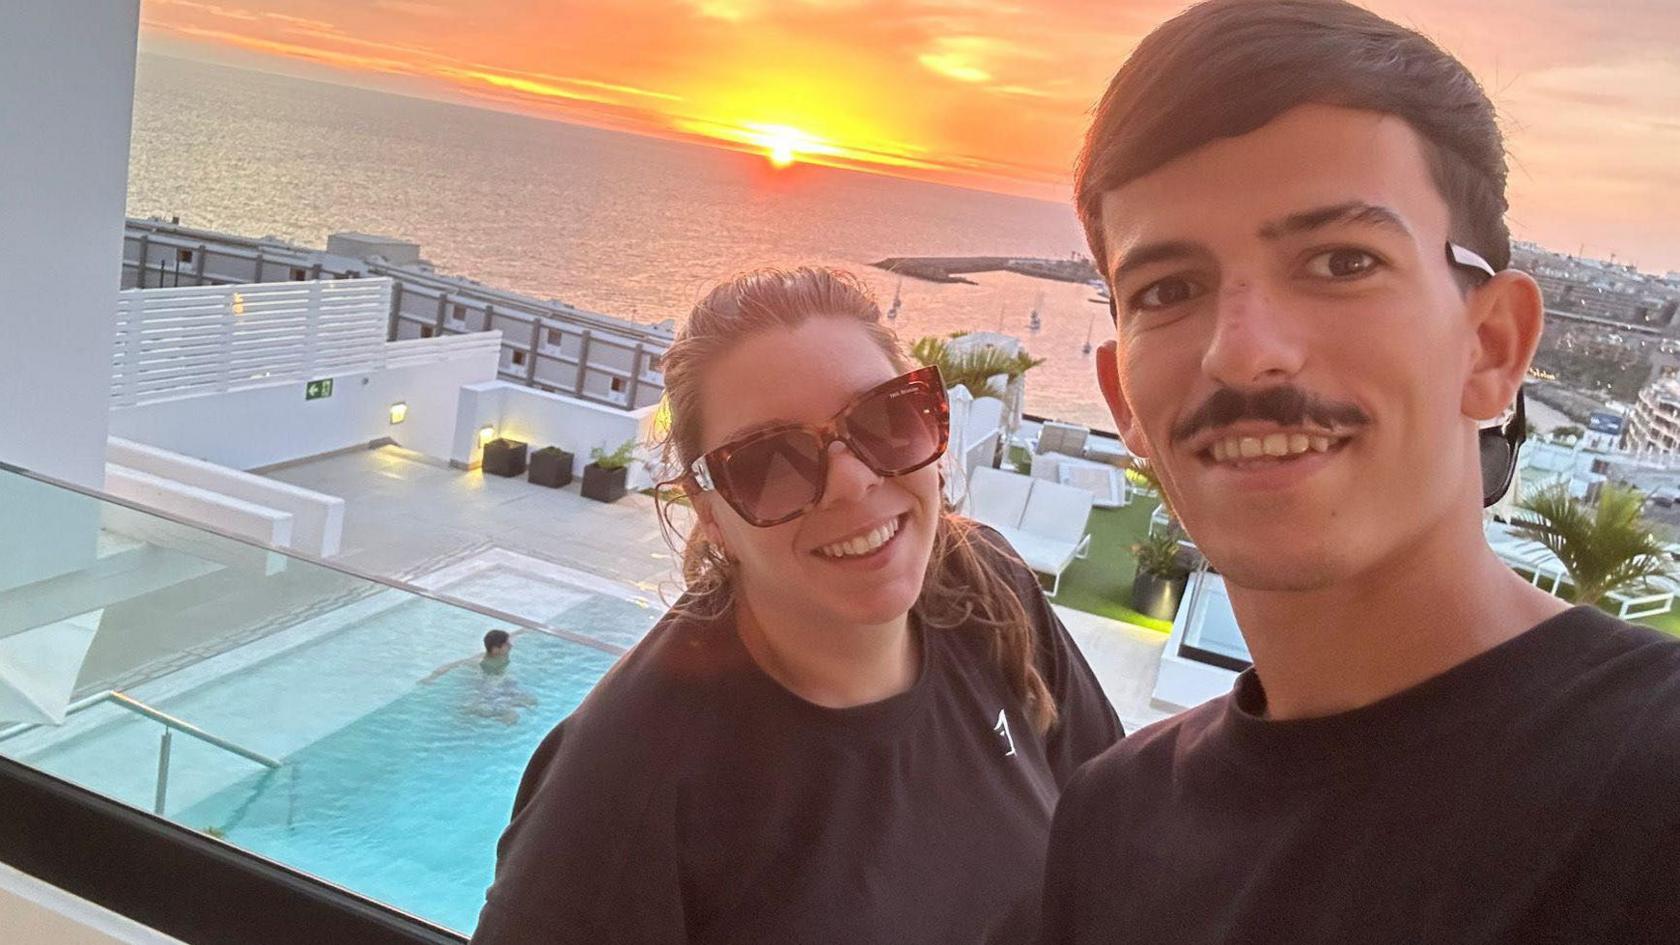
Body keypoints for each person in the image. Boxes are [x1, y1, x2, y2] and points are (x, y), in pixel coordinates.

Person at [1039, 1, 1680, 942]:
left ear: (1493, 345)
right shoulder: (1110, 825)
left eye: (1342, 261)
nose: (1244, 352)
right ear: (1123, 400)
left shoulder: (1651, 794)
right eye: (1168, 290)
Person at [470, 267, 1122, 944]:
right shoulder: (625, 779)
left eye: (886, 416)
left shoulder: (988, 587)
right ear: (712, 514)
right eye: (768, 460)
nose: (852, 481)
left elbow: (1116, 854)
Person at [422, 628, 538, 724]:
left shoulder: (501, 659)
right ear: (495, 649)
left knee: (531, 700)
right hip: (487, 695)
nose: (511, 646)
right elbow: (451, 666)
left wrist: (526, 630)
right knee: (511, 717)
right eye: (507, 644)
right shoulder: (479, 662)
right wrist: (431, 678)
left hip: (501, 689)